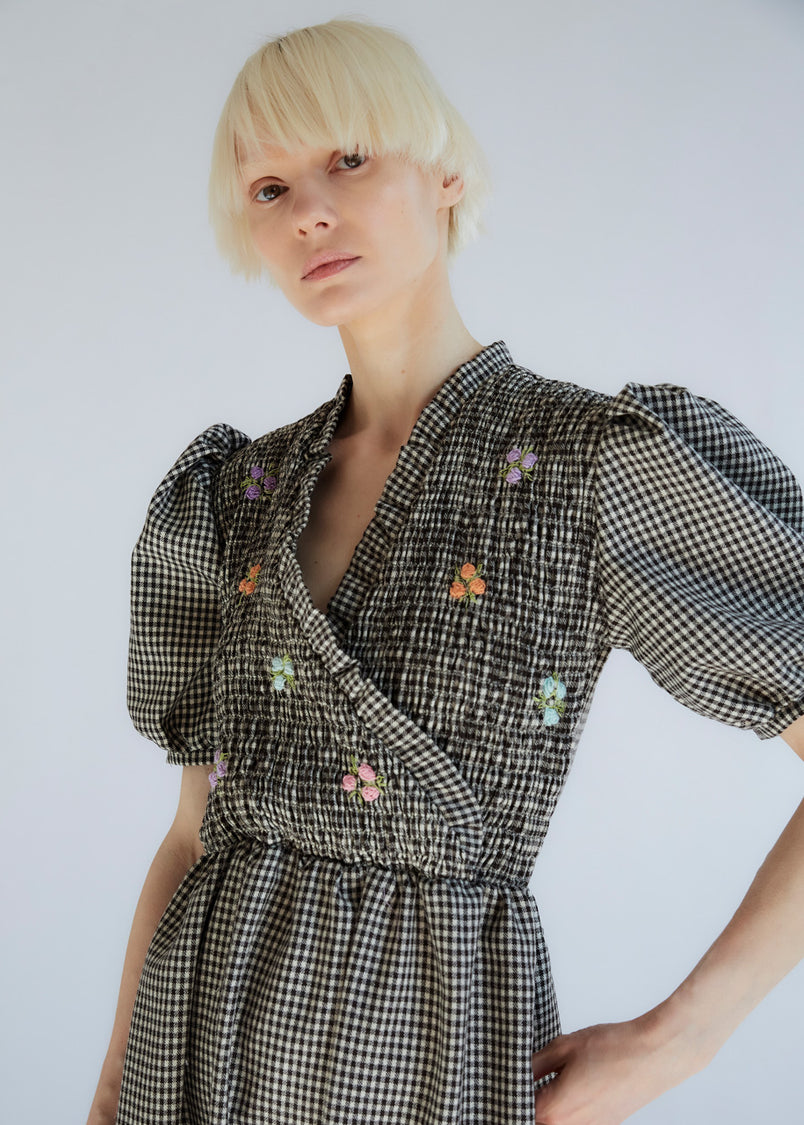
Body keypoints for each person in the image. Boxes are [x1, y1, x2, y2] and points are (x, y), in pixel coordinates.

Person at [87, 18, 804, 1125]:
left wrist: (683, 1037)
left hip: (429, 1044)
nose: (311, 210)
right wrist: (106, 1097)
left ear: (448, 172)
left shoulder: (592, 464)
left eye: (350, 159)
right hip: (197, 1041)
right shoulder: (235, 496)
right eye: (269, 189)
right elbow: (193, 833)